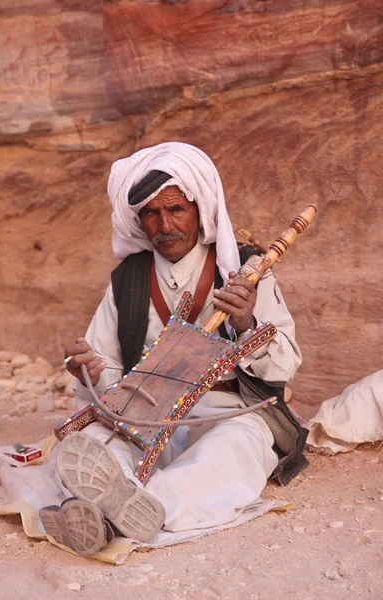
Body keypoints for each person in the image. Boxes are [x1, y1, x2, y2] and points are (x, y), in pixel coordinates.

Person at [39, 142, 308, 557]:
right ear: (138, 220)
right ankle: (114, 509)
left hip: (227, 414)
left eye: (176, 209)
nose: (165, 225)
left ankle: (131, 512)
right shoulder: (127, 280)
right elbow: (108, 369)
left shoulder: (245, 270)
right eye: (151, 213)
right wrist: (91, 372)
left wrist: (246, 323)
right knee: (90, 440)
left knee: (232, 451)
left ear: (200, 209)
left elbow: (284, 367)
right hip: (145, 415)